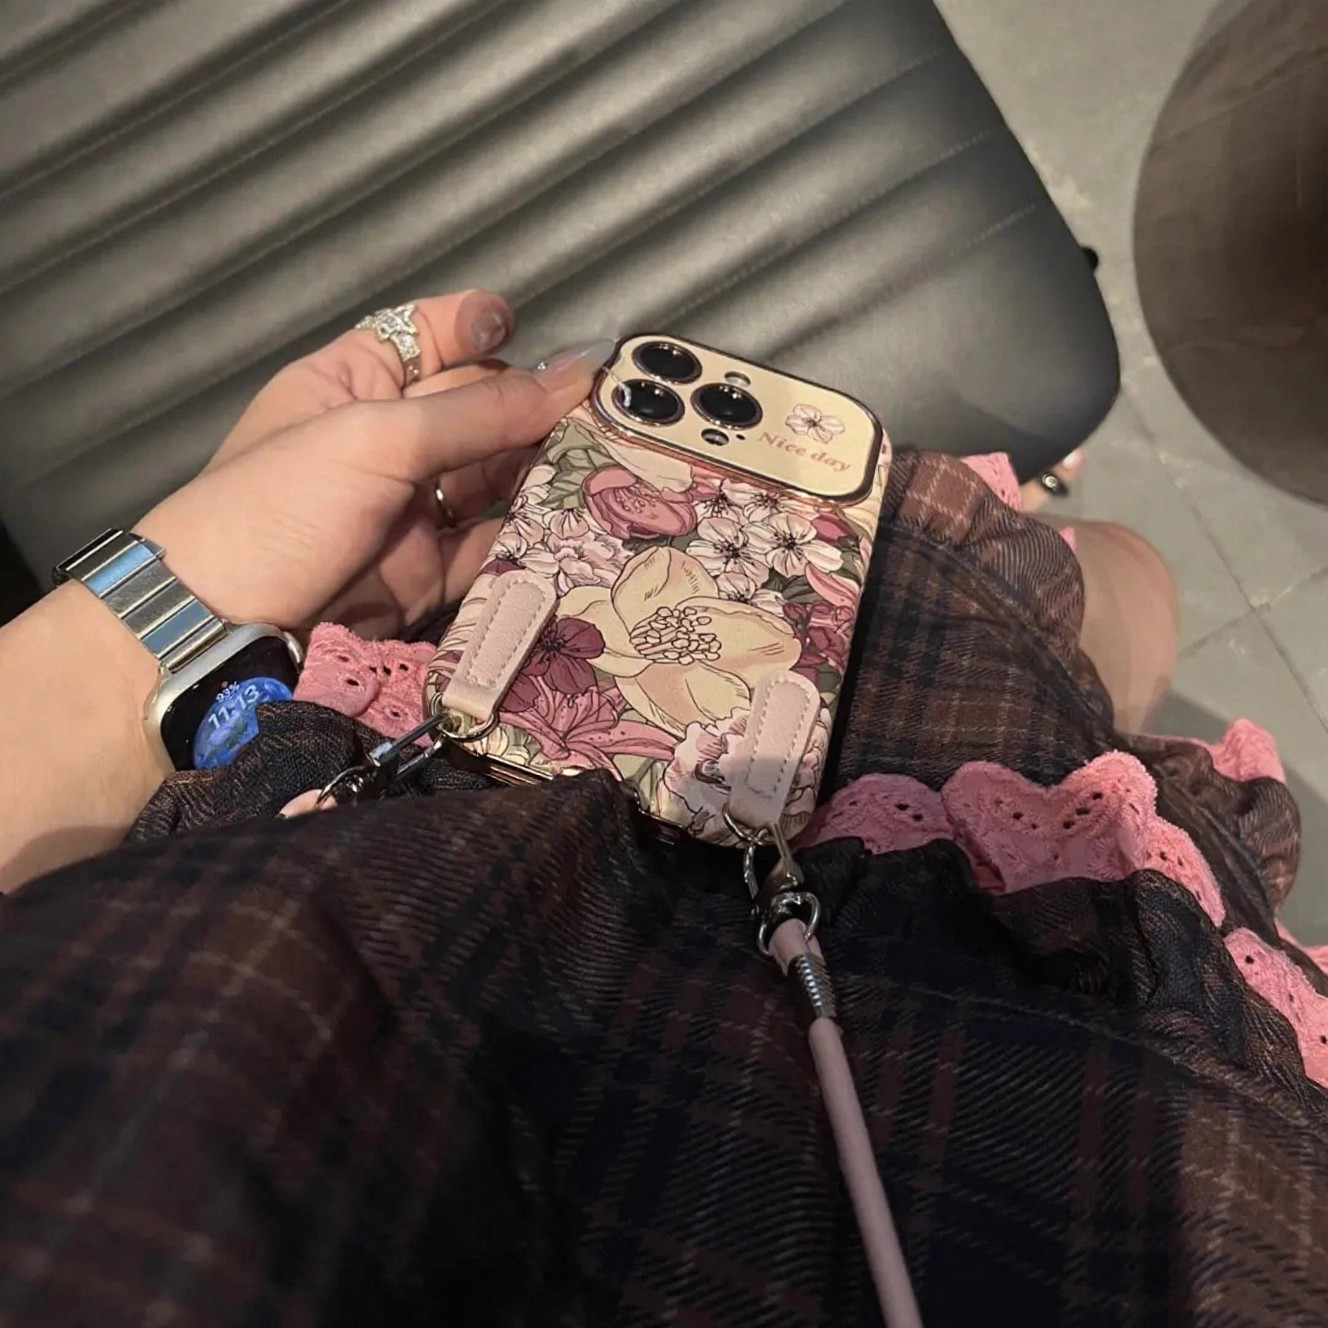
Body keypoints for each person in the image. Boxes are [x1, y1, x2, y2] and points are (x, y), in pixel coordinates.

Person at [0, 290, 1323, 1326]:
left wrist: (155, 629)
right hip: (867, 1001)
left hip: (380, 836)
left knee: (1082, 623)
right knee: (1107, 591)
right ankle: (1062, 568)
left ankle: (1071, 613)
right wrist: (142, 614)